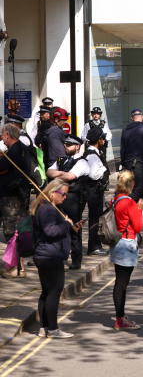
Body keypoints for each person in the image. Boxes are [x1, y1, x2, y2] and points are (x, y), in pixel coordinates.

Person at [45, 134, 103, 269]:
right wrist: (61, 174)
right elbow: (49, 172)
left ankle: (76, 259)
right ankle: (60, 255)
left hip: (73, 200)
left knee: (74, 229)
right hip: (57, 198)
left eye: (69, 144)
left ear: (77, 146)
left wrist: (58, 174)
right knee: (57, 227)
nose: (66, 146)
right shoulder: (61, 160)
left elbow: (71, 176)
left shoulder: (82, 162)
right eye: (65, 144)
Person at [32, 179, 76, 338]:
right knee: (54, 292)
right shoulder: (48, 210)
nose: (65, 197)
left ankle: (44, 327)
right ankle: (52, 328)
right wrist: (66, 225)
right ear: (52, 193)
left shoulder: (46, 208)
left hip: (45, 254)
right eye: (63, 194)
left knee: (46, 291)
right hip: (50, 255)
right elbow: (50, 231)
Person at [109, 169, 143, 331]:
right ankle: (120, 318)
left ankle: (120, 316)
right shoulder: (129, 202)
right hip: (127, 242)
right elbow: (138, 226)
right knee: (122, 283)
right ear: (131, 184)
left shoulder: (115, 199)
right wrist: (140, 209)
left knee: (119, 281)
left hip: (116, 242)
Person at [1, 123, 32, 274]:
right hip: (19, 194)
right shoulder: (21, 149)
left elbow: (2, 167)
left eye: (3, 134)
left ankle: (16, 267)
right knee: (17, 230)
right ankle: (17, 265)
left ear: (7, 135)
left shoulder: (14, 152)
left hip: (12, 197)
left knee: (11, 231)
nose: (2, 137)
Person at [78, 126, 110, 255]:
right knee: (94, 218)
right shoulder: (92, 155)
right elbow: (93, 174)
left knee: (96, 218)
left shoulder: (96, 152)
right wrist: (103, 169)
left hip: (95, 191)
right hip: (93, 191)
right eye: (102, 138)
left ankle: (95, 244)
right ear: (99, 140)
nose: (104, 140)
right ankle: (93, 246)